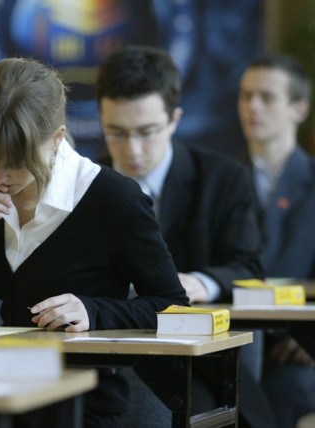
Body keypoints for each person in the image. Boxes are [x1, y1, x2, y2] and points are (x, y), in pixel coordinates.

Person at [0, 57, 189, 427]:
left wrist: (94, 310)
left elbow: (173, 305)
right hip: (3, 389)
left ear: (56, 138)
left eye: (15, 163)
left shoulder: (114, 199)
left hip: (82, 401)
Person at [94, 46, 272, 428]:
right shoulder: (84, 184)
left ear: (174, 120)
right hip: (104, 345)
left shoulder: (223, 180)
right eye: (116, 133)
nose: (132, 150)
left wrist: (201, 282)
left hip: (197, 354)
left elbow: (249, 267)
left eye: (146, 132)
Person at [238, 53, 315, 428]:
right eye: (245, 95)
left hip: (297, 346)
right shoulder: (220, 180)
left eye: (267, 97)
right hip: (231, 337)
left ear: (299, 108)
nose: (252, 106)